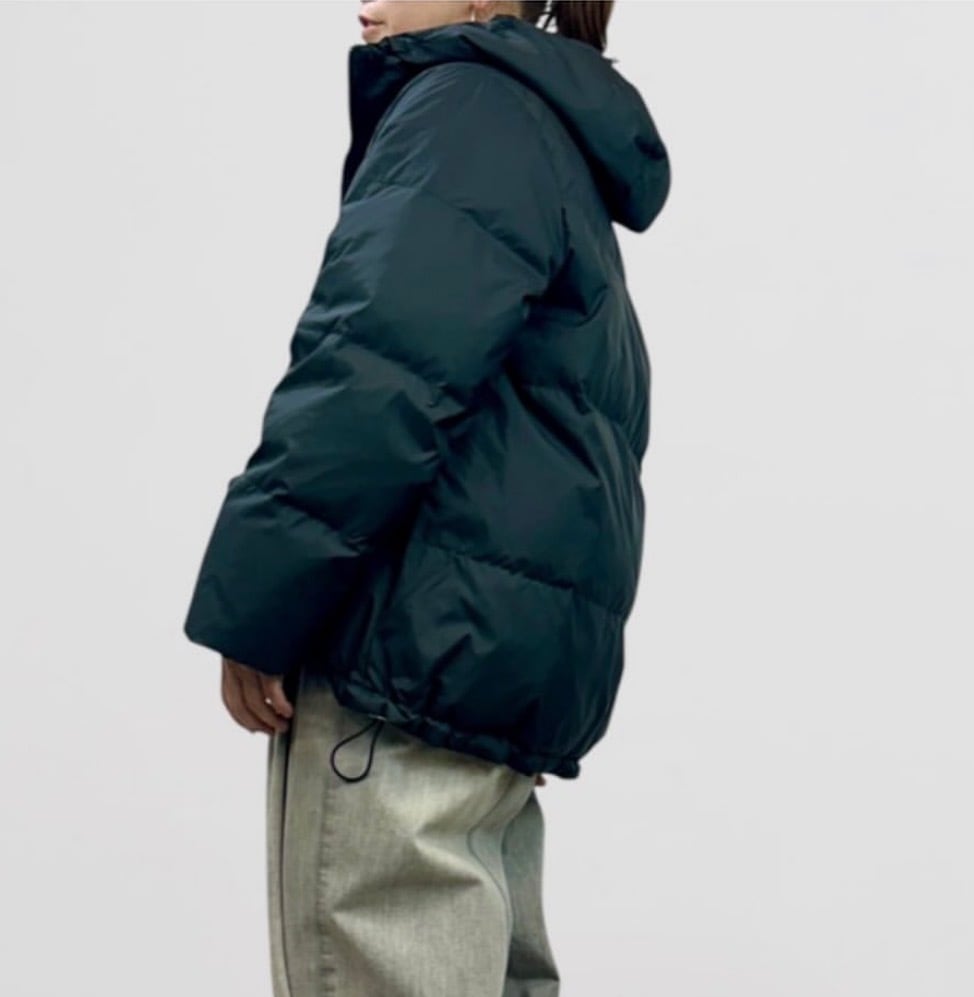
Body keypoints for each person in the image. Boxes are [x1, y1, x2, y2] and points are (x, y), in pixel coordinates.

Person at [182, 1, 670, 993]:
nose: (365, 2)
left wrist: (259, 602)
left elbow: (372, 377)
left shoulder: (467, 109)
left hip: (397, 662)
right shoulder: (543, 128)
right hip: (477, 662)